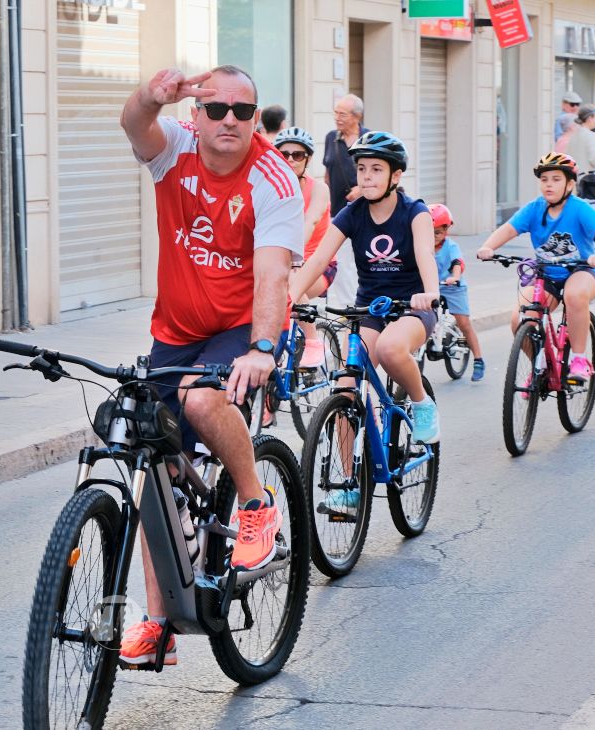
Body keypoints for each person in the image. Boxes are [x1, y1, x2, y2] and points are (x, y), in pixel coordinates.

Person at [117, 65, 304, 666]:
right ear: (195, 116)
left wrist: (263, 349)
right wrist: (150, 95)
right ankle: (157, 624)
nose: (228, 120)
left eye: (242, 111)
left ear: (255, 119)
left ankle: (254, 504)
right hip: (173, 330)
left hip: (241, 329)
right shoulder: (174, 148)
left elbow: (274, 273)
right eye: (216, 109)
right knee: (153, 466)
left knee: (202, 400)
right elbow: (133, 123)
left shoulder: (273, 178)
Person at [290, 130, 442, 453]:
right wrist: (289, 296)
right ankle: (348, 483)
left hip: (412, 307)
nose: (367, 177)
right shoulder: (353, 213)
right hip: (369, 309)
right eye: (362, 169)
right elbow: (318, 259)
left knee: (390, 348)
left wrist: (429, 293)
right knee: (346, 389)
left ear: (395, 175)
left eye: (376, 169)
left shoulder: (415, 212)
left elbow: (426, 255)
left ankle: (421, 401)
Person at [478, 153, 595, 385]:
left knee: (574, 296)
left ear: (570, 184)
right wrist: (488, 246)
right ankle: (540, 363)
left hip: (581, 270)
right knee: (520, 319)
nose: (549, 184)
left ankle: (579, 359)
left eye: (556, 179)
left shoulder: (579, 208)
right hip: (547, 272)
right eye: (544, 179)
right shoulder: (534, 209)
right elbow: (508, 229)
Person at [273, 126, 336, 370]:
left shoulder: (318, 189)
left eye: (297, 155)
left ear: (307, 158)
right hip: (281, 261)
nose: (290, 160)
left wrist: (294, 258)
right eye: (283, 154)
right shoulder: (271, 188)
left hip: (317, 263)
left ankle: (312, 341)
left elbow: (309, 222)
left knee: (290, 279)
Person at [428, 204, 485, 381]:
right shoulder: (423, 246)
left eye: (437, 232)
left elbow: (457, 263)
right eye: (430, 232)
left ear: (446, 230)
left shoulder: (451, 246)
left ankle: (478, 359)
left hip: (452, 286)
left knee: (463, 323)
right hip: (431, 287)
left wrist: (455, 276)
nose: (433, 237)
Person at [323, 94, 367, 305]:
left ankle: (363, 302)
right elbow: (328, 172)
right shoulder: (331, 138)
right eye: (336, 113)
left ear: (356, 116)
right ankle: (348, 307)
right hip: (338, 212)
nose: (337, 118)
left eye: (342, 114)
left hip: (366, 211)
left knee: (362, 261)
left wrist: (362, 188)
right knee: (341, 261)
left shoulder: (369, 138)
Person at [559, 105, 595, 173]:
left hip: (575, 178)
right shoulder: (591, 136)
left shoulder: (573, 135)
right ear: (590, 118)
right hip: (588, 180)